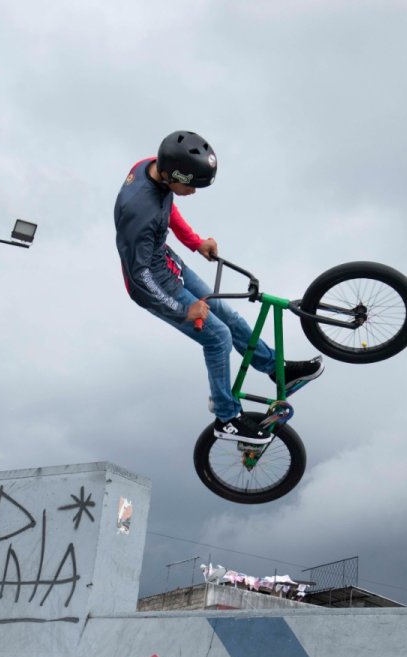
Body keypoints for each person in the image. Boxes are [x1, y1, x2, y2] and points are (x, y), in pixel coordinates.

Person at [114, 130, 323, 445]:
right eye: (191, 186)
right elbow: (139, 276)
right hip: (154, 286)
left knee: (229, 317)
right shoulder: (138, 210)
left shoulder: (153, 167)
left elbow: (167, 210)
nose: (192, 193)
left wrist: (195, 242)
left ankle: (276, 369)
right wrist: (183, 311)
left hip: (171, 266)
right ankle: (226, 417)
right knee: (218, 337)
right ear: (172, 175)